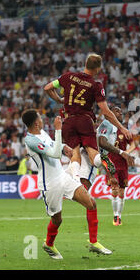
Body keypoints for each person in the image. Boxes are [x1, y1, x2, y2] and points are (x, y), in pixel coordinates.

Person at [22, 109, 112, 259]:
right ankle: (49, 244)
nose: (43, 119)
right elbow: (54, 154)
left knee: (91, 203)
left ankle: (94, 242)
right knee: (57, 219)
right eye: (40, 118)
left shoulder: (42, 133)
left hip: (62, 177)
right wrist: (58, 130)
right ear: (36, 123)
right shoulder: (30, 141)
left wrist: (65, 147)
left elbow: (54, 146)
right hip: (49, 185)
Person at [43, 53, 132, 182]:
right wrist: (122, 128)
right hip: (85, 121)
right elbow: (105, 111)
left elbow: (47, 88)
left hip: (68, 121)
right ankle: (102, 160)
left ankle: (76, 179)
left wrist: (59, 100)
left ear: (85, 64)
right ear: (97, 69)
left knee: (75, 155)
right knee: (93, 155)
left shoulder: (68, 76)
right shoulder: (96, 85)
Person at [96, 106, 135, 226]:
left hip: (123, 164)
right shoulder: (107, 127)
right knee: (114, 190)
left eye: (121, 111)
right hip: (111, 163)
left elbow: (133, 145)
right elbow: (101, 143)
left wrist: (126, 154)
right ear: (111, 114)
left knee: (122, 193)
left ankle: (120, 216)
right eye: (117, 111)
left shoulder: (125, 130)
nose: (120, 113)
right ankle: (115, 215)